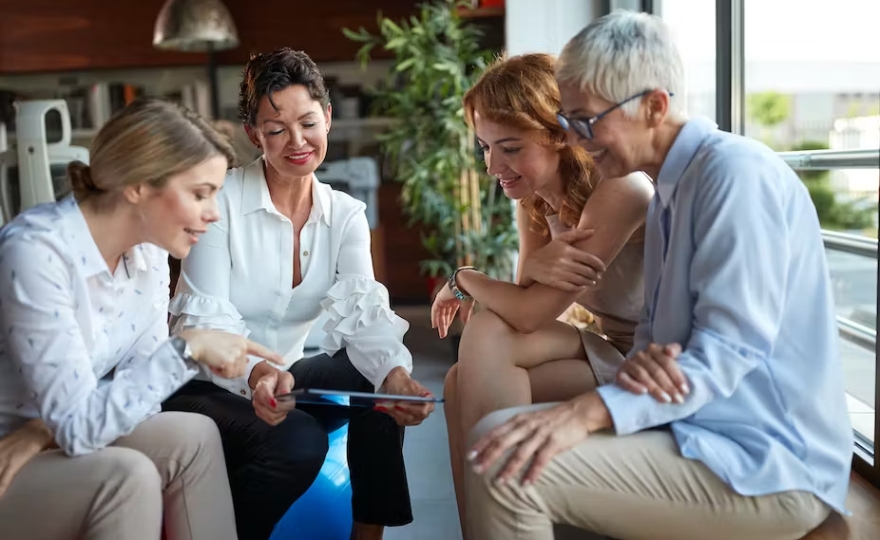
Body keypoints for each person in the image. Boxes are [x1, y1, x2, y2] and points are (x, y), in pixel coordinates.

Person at [464, 11, 853, 540]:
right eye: (568, 122)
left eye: (585, 121)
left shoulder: (734, 177)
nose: (576, 138)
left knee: (505, 465)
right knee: (500, 438)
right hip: (703, 430)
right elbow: (663, 354)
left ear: (654, 105)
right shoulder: (672, 188)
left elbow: (726, 352)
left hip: (766, 462)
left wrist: (588, 412)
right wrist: (643, 372)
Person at [164, 47, 435, 540]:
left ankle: (366, 535)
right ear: (253, 134)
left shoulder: (345, 214)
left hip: (281, 378)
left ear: (327, 117)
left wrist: (396, 374)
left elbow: (364, 310)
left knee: (376, 380)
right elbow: (207, 324)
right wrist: (256, 373)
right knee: (302, 441)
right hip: (203, 383)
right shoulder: (219, 201)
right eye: (275, 129)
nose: (297, 142)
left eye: (308, 122)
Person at [0, 98, 284, 540]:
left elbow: (139, 400)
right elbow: (79, 426)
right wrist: (188, 347)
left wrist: (43, 430)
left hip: (46, 438)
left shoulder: (148, 253)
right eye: (200, 193)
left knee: (192, 434)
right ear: (136, 186)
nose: (214, 213)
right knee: (127, 477)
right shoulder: (35, 254)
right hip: (6, 456)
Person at [435, 52, 655, 535]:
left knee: (468, 366)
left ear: (560, 134)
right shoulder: (535, 196)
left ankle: (496, 524)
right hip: (607, 349)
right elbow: (517, 308)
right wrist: (527, 268)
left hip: (656, 368)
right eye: (485, 147)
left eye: (509, 148)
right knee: (462, 371)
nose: (493, 166)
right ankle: (489, 527)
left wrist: (464, 279)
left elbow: (530, 313)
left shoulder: (620, 189)